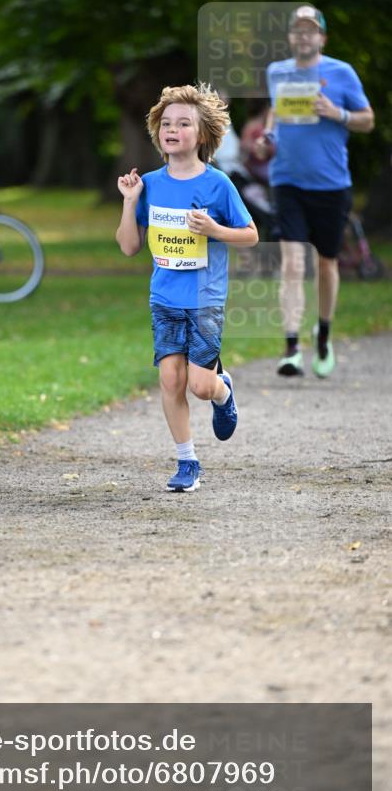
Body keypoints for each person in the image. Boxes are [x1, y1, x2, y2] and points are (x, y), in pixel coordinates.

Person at [116, 84, 259, 493]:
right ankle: (186, 460)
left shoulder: (218, 185)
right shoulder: (149, 184)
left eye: (184, 123)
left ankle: (222, 390)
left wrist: (214, 230)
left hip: (205, 299)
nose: (172, 129)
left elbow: (250, 234)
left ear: (203, 134)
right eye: (166, 123)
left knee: (200, 386)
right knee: (171, 380)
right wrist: (129, 201)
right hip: (164, 297)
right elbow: (129, 247)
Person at [254, 4, 375, 378]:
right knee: (291, 262)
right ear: (290, 36)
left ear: (322, 37)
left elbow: (367, 120)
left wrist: (336, 113)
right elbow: (276, 111)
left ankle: (323, 334)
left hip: (331, 184)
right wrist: (267, 137)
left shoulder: (342, 73)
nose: (303, 36)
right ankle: (291, 348)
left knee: (326, 263)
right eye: (297, 30)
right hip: (286, 181)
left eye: (311, 30)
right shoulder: (277, 72)